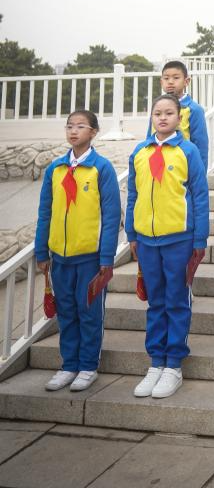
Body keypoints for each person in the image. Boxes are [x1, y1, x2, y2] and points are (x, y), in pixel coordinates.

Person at [126, 94, 209, 399]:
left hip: (179, 239)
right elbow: (133, 194)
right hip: (147, 240)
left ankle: (173, 363)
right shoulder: (140, 151)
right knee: (155, 301)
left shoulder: (188, 151)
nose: (162, 118)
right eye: (157, 113)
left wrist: (199, 239)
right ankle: (156, 361)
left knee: (176, 300)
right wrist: (132, 233)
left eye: (169, 113)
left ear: (179, 117)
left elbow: (200, 195)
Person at [35, 110, 121, 392]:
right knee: (66, 313)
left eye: (81, 126)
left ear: (93, 132)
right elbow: (45, 212)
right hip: (60, 259)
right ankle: (68, 365)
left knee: (89, 314)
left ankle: (88, 366)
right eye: (69, 126)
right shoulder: (56, 169)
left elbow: (111, 217)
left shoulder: (101, 169)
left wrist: (106, 258)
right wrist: (42, 252)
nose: (73, 131)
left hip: (90, 260)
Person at [146, 60, 209, 170]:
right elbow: (149, 138)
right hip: (157, 165)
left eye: (176, 78)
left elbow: (201, 146)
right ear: (161, 82)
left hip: (182, 166)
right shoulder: (157, 107)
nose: (170, 82)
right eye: (166, 78)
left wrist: (200, 173)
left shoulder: (194, 110)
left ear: (186, 81)